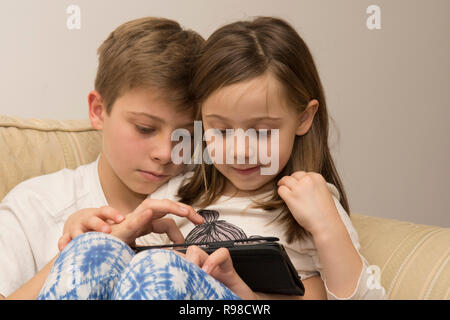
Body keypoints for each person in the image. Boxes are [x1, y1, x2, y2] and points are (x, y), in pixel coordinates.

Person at [46, 17, 387, 300]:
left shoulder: (311, 202)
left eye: (261, 131)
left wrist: (326, 227)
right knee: (94, 250)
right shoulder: (178, 194)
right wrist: (102, 237)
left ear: (302, 118)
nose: (239, 150)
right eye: (220, 132)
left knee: (160, 270)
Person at [0, 17, 205, 299]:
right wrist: (77, 254)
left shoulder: (215, 196)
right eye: (145, 128)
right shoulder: (35, 208)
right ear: (98, 110)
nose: (166, 154)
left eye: (186, 136)